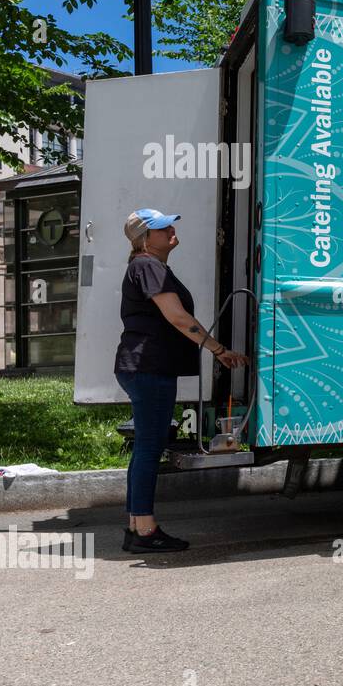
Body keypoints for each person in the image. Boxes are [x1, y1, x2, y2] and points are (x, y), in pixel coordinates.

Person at [115, 209, 248, 553]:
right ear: (145, 239)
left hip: (145, 367)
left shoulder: (150, 266)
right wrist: (218, 349)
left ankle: (136, 527)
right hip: (149, 367)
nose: (171, 229)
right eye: (162, 227)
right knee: (149, 447)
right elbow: (177, 317)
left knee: (146, 446)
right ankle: (144, 531)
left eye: (170, 224)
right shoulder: (147, 265)